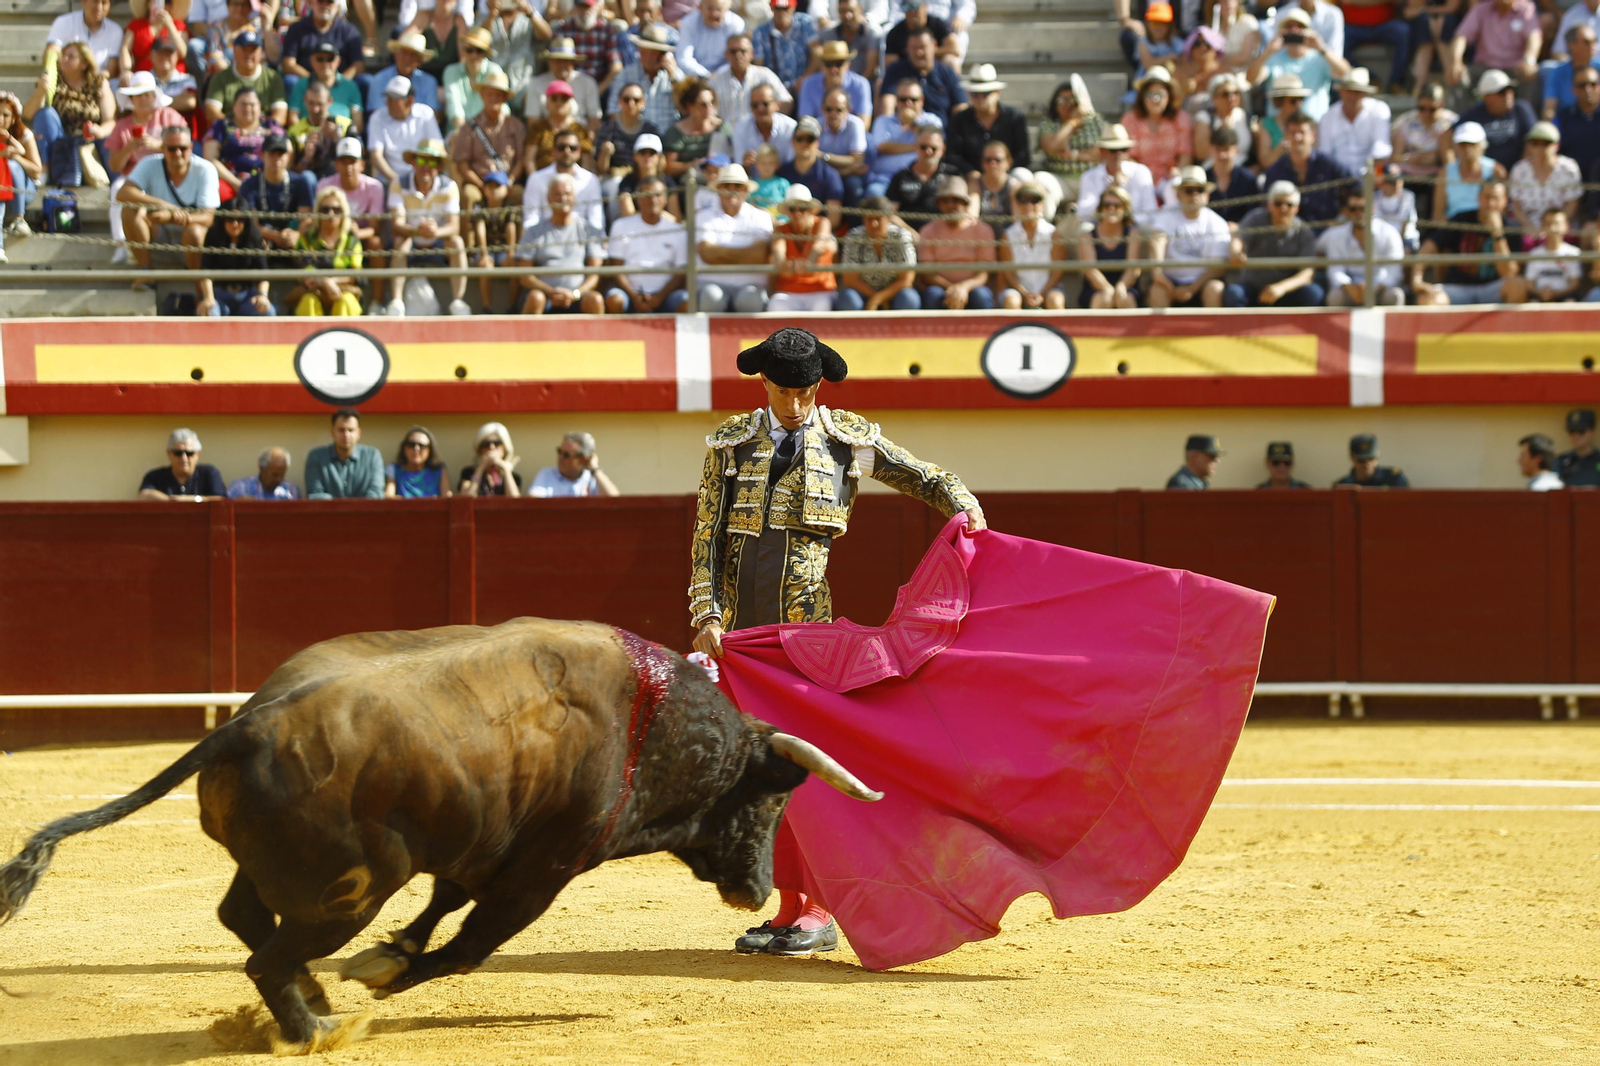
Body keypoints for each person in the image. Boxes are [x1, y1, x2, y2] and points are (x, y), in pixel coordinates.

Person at [689, 326, 984, 956]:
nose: (794, 404)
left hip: (808, 634)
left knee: (808, 768)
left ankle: (819, 908)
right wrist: (706, 612)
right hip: (745, 638)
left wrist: (965, 506)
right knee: (765, 770)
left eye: (804, 391)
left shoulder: (848, 443)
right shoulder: (731, 446)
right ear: (763, 383)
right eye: (782, 390)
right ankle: (791, 905)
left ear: (817, 385)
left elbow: (924, 478)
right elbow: (708, 538)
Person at [117, 124, 220, 275]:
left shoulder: (206, 169)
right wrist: (164, 205)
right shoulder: (149, 163)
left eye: (183, 148)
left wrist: (171, 217)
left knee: (195, 232)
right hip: (159, 234)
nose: (177, 153)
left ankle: (199, 282)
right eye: (171, 149)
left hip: (192, 238)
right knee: (129, 211)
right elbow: (123, 194)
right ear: (163, 148)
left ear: (191, 147)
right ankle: (146, 271)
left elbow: (208, 218)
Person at [451, 68, 525, 272]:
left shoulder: (515, 125)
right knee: (467, 195)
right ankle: (472, 252)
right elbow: (462, 164)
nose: (494, 98)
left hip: (507, 181)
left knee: (519, 194)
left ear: (504, 98)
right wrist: (481, 185)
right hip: (479, 180)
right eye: (490, 93)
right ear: (482, 95)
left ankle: (517, 252)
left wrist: (510, 181)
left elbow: (521, 160)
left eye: (499, 94)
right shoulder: (469, 127)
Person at [389, 138, 471, 317]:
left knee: (456, 242)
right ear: (413, 162)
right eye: (421, 160)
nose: (426, 166)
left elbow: (454, 227)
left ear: (439, 166)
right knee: (400, 241)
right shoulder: (398, 183)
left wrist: (435, 232)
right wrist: (418, 231)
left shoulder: (449, 186)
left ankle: (458, 301)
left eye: (432, 161)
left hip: (438, 245)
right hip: (410, 244)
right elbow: (397, 225)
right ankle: (396, 301)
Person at [1413, 179, 1528, 305]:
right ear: (1478, 197)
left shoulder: (1512, 228)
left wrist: (1497, 233)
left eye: (1495, 198)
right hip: (1457, 289)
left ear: (1505, 201)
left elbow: (1509, 273)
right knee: (1428, 299)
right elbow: (1428, 247)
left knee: (1518, 287)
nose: (1490, 203)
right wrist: (1417, 280)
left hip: (1493, 289)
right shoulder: (1461, 220)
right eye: (1486, 197)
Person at [512, 173, 606, 315]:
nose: (563, 199)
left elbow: (594, 274)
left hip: (578, 296)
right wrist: (551, 292)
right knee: (535, 298)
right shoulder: (534, 232)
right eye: (557, 194)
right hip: (545, 296)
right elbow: (525, 276)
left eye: (567, 194)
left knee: (595, 299)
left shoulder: (588, 230)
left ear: (574, 198)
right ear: (549, 199)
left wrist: (575, 294)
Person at [24, 41, 115, 188]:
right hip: (61, 142)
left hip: (89, 142)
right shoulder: (53, 80)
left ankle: (118, 183)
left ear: (84, 64)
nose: (64, 59)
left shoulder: (99, 83)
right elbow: (28, 114)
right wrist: (40, 91)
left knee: (109, 139)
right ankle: (45, 170)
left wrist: (100, 130)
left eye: (71, 57)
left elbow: (110, 121)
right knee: (45, 114)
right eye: (63, 56)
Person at [317, 137, 390, 312]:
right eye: (344, 162)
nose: (348, 167)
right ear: (336, 165)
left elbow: (375, 228)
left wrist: (354, 233)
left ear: (362, 165)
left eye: (353, 162)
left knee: (376, 244)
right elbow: (318, 221)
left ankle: (377, 303)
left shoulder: (374, 187)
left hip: (360, 238)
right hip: (333, 238)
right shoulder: (324, 185)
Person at [1225, 180, 1325, 306]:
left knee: (1313, 293)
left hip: (1287, 291)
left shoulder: (1304, 232)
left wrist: (1281, 288)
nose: (1283, 208)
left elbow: (1307, 274)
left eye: (1289, 204)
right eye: (1278, 203)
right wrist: (1235, 251)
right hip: (1254, 288)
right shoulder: (1256, 218)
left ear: (1296, 208)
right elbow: (1239, 238)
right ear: (1269, 205)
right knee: (1234, 293)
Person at [1247, 6, 1351, 121]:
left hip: (1313, 128)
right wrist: (1267, 52)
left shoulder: (1320, 58)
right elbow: (1251, 79)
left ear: (1309, 30)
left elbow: (1345, 74)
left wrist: (1322, 48)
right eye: (1289, 26)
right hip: (1279, 129)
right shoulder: (1273, 58)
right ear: (1281, 31)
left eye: (1300, 26)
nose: (1294, 30)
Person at [694, 162, 774, 311]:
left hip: (750, 287)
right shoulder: (702, 216)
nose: (732, 190)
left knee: (750, 299)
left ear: (746, 190)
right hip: (711, 284)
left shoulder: (761, 217)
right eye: (727, 185)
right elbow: (707, 254)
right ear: (718, 189)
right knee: (712, 297)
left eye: (737, 185)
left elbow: (759, 255)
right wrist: (746, 256)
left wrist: (720, 255)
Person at [1147, 165, 1229, 308]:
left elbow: (1218, 267)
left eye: (1200, 190)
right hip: (1169, 282)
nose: (1194, 195)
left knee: (1215, 289)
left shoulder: (1217, 222)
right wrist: (1159, 276)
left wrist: (1192, 289)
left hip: (1202, 284)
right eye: (1189, 190)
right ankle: (1157, 331)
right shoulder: (1166, 214)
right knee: (1157, 291)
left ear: (1207, 195)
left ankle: (1215, 331)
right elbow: (1157, 240)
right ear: (1179, 194)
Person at [605, 177, 690, 312]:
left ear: (666, 199)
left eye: (657, 195)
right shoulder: (620, 226)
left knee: (686, 301)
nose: (652, 200)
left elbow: (681, 272)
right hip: (628, 293)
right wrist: (634, 296)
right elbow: (616, 268)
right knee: (615, 300)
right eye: (647, 195)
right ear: (637, 199)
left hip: (666, 295)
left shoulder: (678, 231)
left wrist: (659, 297)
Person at [916, 175, 994, 310]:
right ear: (939, 204)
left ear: (965, 203)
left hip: (973, 288)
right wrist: (952, 288)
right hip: (941, 288)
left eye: (956, 200)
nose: (951, 205)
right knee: (932, 294)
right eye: (945, 201)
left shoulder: (982, 230)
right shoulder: (928, 231)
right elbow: (928, 274)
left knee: (981, 295)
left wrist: (964, 287)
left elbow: (984, 274)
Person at [1262, 111, 1354, 223]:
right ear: (1286, 135)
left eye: (1302, 132)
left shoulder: (1327, 163)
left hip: (1327, 230)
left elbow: (1356, 185)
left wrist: (1345, 211)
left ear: (1313, 135)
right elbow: (1265, 204)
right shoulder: (1275, 170)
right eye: (1293, 132)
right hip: (1291, 234)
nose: (1297, 137)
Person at [1321, 184, 1407, 304]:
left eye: (1363, 209)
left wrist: (1374, 288)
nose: (1358, 213)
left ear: (1372, 209)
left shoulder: (1389, 233)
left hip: (1379, 288)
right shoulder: (1336, 235)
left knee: (1394, 295)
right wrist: (1350, 288)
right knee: (1335, 296)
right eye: (1353, 209)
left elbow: (1394, 271)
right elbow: (1335, 270)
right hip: (1351, 289)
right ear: (1347, 211)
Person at [291, 183, 365, 315]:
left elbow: (355, 273)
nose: (331, 214)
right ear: (317, 212)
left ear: (343, 212)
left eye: (336, 210)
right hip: (314, 292)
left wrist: (332, 282)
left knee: (347, 301)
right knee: (309, 301)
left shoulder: (351, 240)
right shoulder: (306, 239)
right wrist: (324, 281)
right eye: (325, 210)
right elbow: (306, 271)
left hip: (343, 291)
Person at [836, 195, 920, 310]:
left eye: (878, 219)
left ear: (888, 219)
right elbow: (850, 279)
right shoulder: (854, 237)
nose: (874, 224)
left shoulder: (901, 236)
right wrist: (874, 297)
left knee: (909, 298)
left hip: (896, 294)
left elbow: (906, 280)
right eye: (869, 219)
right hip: (863, 294)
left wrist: (878, 299)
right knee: (848, 298)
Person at [1035, 77, 1104, 213]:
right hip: (1061, 179)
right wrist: (1072, 123)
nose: (1066, 105)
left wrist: (1075, 155)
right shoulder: (1048, 125)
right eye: (1061, 101)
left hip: (1091, 178)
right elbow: (1053, 147)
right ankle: (1044, 228)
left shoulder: (1095, 121)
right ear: (1054, 104)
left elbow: (1102, 153)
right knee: (1041, 180)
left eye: (1071, 100)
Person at [943, 64, 1026, 176]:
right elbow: (953, 156)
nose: (980, 98)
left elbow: (1023, 156)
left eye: (986, 93)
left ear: (997, 93)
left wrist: (1002, 171)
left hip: (1007, 176)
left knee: (1022, 175)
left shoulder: (1014, 118)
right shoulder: (959, 120)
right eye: (975, 94)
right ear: (968, 94)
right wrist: (971, 172)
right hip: (969, 178)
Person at [1075, 123, 1159, 229]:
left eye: (1123, 149)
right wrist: (1110, 188)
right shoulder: (1089, 177)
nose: (1119, 154)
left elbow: (1150, 211)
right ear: (1102, 151)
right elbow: (1083, 214)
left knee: (1152, 230)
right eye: (1113, 150)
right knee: (1084, 229)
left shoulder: (1141, 172)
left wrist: (1126, 223)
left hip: (1134, 228)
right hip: (1101, 230)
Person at [997, 181, 1066, 310]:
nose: (1029, 205)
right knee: (1012, 301)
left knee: (1055, 300)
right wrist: (1025, 294)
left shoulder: (1054, 235)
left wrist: (1042, 293)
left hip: (1049, 289)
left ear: (1043, 204)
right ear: (1017, 204)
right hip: (1017, 290)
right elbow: (1008, 273)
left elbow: (1057, 273)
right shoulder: (1007, 236)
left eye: (1035, 200)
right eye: (1023, 200)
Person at [1447, 0, 1541, 95]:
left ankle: (1526, 110)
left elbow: (1534, 37)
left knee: (1530, 75)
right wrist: (1456, 62)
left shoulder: (1526, 8)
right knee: (1458, 75)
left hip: (1515, 69)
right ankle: (1461, 110)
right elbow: (1461, 37)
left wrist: (1529, 60)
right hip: (1484, 68)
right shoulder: (1481, 9)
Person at [768, 184, 837, 312]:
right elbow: (778, 249)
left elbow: (819, 244)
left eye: (803, 208)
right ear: (788, 211)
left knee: (821, 307)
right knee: (775, 306)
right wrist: (781, 262)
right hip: (788, 291)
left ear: (810, 210)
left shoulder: (822, 223)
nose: (798, 213)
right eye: (793, 208)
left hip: (820, 290)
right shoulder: (781, 229)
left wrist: (808, 262)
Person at [1391, 82, 1455, 218]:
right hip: (1409, 173)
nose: (1426, 113)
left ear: (1441, 104)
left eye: (1431, 109)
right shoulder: (1406, 121)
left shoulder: (1451, 122)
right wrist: (1412, 158)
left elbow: (1453, 158)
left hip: (1438, 176)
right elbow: (1395, 157)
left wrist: (1436, 157)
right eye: (1421, 108)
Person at [878, 26, 966, 125]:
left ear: (934, 45)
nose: (919, 53)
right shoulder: (896, 70)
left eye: (923, 47)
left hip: (941, 136)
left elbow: (960, 107)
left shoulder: (947, 73)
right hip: (904, 134)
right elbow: (887, 104)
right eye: (914, 48)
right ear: (907, 49)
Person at [1121, 67, 1192, 189]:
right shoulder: (1130, 119)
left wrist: (1178, 172)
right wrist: (1143, 175)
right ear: (1142, 96)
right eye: (1150, 94)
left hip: (1171, 182)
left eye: (1160, 94)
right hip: (1139, 182)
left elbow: (1186, 154)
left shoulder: (1181, 118)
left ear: (1169, 96)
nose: (1155, 99)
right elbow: (1128, 156)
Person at [1455, 70, 1537, 173]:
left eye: (1510, 89)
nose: (1508, 94)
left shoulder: (1521, 109)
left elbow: (1534, 142)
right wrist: (1451, 164)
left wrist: (1519, 172)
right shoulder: (1475, 114)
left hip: (1520, 174)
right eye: (1501, 92)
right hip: (1485, 175)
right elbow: (1448, 134)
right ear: (1486, 97)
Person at [204, 88, 283, 194]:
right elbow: (210, 158)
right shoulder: (221, 126)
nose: (247, 108)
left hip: (266, 181)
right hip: (230, 182)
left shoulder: (271, 126)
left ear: (260, 106)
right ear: (234, 106)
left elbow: (287, 152)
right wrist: (236, 183)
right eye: (243, 104)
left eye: (252, 104)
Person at [523, 128, 604, 231]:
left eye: (572, 148)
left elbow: (596, 220)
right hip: (545, 239)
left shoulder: (590, 180)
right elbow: (531, 219)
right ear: (553, 151)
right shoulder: (536, 179)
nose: (567, 151)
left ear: (579, 152)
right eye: (561, 147)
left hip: (581, 239)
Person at [368, 76, 443, 187]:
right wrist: (398, 182)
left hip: (424, 179)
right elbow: (376, 156)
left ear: (409, 101)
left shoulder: (426, 114)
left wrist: (419, 181)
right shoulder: (377, 117)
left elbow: (438, 148)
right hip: (389, 182)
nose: (388, 103)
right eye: (388, 98)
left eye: (393, 99)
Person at [1507, 122, 1581, 233]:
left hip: (1560, 229)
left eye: (1546, 143)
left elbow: (1572, 203)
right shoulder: (1519, 169)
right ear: (1528, 145)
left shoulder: (1569, 169)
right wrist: (1530, 228)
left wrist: (1556, 227)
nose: (1540, 148)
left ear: (1557, 145)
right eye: (1535, 143)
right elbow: (1516, 206)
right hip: (1527, 228)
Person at [203, 30, 286, 127]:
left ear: (261, 52)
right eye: (244, 49)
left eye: (253, 49)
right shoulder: (220, 78)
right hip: (229, 133)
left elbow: (280, 115)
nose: (248, 54)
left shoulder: (272, 78)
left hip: (264, 132)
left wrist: (260, 131)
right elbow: (211, 112)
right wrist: (233, 129)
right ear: (234, 51)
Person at [197, 211, 274, 316]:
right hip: (219, 295)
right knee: (209, 311)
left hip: (247, 296)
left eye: (240, 220)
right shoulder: (213, 235)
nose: (235, 224)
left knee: (267, 310)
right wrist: (208, 298)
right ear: (223, 220)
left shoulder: (254, 235)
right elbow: (205, 270)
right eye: (230, 219)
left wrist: (262, 296)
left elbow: (263, 272)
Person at [707, 35, 790, 131]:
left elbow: (786, 101)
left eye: (743, 51)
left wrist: (770, 125)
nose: (738, 55)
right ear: (726, 55)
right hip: (726, 136)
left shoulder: (765, 75)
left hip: (759, 135)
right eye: (733, 52)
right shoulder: (715, 80)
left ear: (752, 54)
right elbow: (708, 111)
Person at [1079, 184, 1143, 308]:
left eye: (1117, 206)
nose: (1111, 209)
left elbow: (1133, 269)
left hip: (1127, 287)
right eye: (1107, 205)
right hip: (1095, 289)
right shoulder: (1087, 236)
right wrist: (1107, 289)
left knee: (1126, 298)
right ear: (1100, 209)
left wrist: (1121, 287)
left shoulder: (1133, 234)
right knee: (1103, 298)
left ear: (1125, 210)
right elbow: (1090, 270)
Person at [280, 0, 366, 91]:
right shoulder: (296, 28)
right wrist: (315, 81)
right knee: (290, 81)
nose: (324, 5)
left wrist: (338, 83)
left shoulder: (349, 30)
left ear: (337, 5)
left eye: (330, 1)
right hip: (306, 84)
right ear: (311, 3)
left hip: (341, 85)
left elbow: (358, 65)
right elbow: (288, 64)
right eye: (320, 1)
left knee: (364, 81)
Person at [1318, 68, 1392, 174]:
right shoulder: (1328, 117)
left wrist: (1368, 173)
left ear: (1365, 94)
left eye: (1357, 92)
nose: (1352, 97)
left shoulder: (1379, 110)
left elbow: (1381, 149)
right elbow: (1325, 153)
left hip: (1371, 177)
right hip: (1336, 179)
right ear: (1341, 92)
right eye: (1349, 91)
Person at [302, 408, 385, 499]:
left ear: (358, 433)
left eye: (351, 430)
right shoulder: (317, 457)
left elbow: (376, 493)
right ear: (333, 432)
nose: (346, 435)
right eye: (341, 430)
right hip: (328, 513)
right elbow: (315, 494)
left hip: (365, 513)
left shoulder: (372, 456)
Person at [1433, 120, 1505, 223]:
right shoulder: (1445, 173)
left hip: (1486, 227)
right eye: (1463, 144)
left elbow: (1502, 208)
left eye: (1472, 144)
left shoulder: (1496, 170)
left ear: (1483, 145)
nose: (1467, 149)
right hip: (1455, 229)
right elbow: (1438, 214)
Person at [611, 24, 681, 129]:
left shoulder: (676, 75)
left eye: (653, 53)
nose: (647, 57)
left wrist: (674, 79)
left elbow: (688, 109)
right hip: (635, 138)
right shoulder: (626, 75)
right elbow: (613, 111)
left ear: (662, 55)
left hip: (668, 138)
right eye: (644, 52)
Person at [552, 0, 624, 99]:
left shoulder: (607, 30)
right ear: (575, 8)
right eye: (581, 7)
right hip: (569, 86)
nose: (585, 11)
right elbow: (555, 63)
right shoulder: (563, 29)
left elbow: (616, 67)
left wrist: (598, 90)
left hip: (599, 86)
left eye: (588, 7)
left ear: (596, 8)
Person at [288, 42, 363, 132]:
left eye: (330, 59)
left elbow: (358, 122)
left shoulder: (350, 86)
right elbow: (293, 118)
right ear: (312, 61)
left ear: (338, 61)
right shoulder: (301, 84)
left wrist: (343, 136)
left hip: (342, 135)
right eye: (320, 59)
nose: (325, 63)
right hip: (307, 136)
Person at [886, 125, 961, 214]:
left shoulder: (952, 174)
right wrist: (908, 228)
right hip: (905, 227)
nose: (928, 151)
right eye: (923, 147)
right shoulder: (900, 177)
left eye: (934, 148)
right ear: (915, 146)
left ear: (943, 149)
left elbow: (960, 212)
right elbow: (890, 214)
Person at [663, 79, 730, 178]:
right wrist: (692, 165)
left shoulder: (722, 128)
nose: (709, 107)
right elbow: (668, 167)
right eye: (703, 104)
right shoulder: (676, 132)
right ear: (690, 106)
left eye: (712, 102)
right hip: (688, 184)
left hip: (719, 181)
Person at [797, 40, 874, 125]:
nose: (834, 69)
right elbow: (805, 123)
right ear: (821, 65)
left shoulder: (861, 85)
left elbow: (864, 124)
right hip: (818, 136)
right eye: (829, 64)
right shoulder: (809, 84)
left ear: (847, 64)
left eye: (839, 63)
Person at [814, 88, 869, 205]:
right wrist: (847, 167)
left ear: (848, 110)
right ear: (822, 109)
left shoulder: (856, 124)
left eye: (839, 110)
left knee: (855, 188)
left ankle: (855, 224)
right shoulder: (815, 126)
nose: (833, 114)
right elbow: (811, 158)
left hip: (842, 176)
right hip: (825, 175)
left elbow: (857, 161)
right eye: (829, 109)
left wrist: (823, 156)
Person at [365, 31, 441, 117]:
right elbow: (378, 115)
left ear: (420, 61)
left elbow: (434, 116)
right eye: (404, 53)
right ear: (396, 55)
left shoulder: (429, 82)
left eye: (413, 55)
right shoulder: (379, 79)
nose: (408, 58)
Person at [139, 428, 226, 500]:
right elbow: (144, 495)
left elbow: (220, 499)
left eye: (189, 453)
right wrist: (171, 500)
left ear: (197, 454)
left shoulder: (209, 473)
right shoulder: (155, 476)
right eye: (178, 453)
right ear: (169, 454)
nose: (183, 458)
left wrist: (189, 499)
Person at [751, 0, 819, 88]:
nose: (781, 13)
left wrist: (805, 78)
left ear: (793, 8)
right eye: (777, 8)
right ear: (771, 8)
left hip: (803, 85)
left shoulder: (804, 23)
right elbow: (758, 66)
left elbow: (817, 53)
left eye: (785, 8)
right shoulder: (761, 32)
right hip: (773, 87)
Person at [529, 431, 620, 496]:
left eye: (566, 455)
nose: (560, 457)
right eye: (559, 451)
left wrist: (595, 469)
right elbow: (532, 504)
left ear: (583, 459)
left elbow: (614, 500)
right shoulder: (547, 475)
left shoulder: (591, 478)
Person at [44, 0, 123, 75]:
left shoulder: (115, 31)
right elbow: (52, 53)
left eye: (104, 3)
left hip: (98, 83)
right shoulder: (63, 22)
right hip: (65, 80)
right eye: (95, 1)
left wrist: (96, 81)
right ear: (84, 1)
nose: (99, 7)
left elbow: (111, 70)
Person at [1203, 126, 1259, 226]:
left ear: (1236, 151)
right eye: (1218, 149)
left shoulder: (1248, 180)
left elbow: (1254, 213)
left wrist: (1239, 227)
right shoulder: (1203, 179)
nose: (1222, 154)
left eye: (1226, 149)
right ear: (1211, 150)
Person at [676, 0, 747, 80]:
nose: (714, 14)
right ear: (700, 7)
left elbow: (736, 59)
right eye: (710, 8)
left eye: (719, 9)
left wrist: (717, 76)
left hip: (727, 78)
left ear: (727, 9)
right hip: (695, 77)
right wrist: (706, 76)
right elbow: (684, 58)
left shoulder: (736, 24)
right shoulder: (689, 22)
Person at [1542, 25, 1600, 120]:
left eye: (1594, 41)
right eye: (1587, 42)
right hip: (1567, 124)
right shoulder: (1558, 73)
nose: (1592, 46)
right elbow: (1549, 108)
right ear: (1571, 45)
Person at [1255, 72, 1310, 170]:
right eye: (1293, 100)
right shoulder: (1266, 125)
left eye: (1301, 99)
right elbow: (1265, 162)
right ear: (1280, 101)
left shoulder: (1308, 123)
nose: (1298, 104)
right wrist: (1282, 147)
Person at [1194, 73, 1250, 167]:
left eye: (1235, 93)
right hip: (1213, 170)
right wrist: (1222, 132)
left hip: (1242, 169)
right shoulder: (1204, 118)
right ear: (1214, 98)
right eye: (1225, 94)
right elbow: (1201, 153)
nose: (1232, 98)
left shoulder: (1245, 116)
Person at [1525, 207, 1583, 299]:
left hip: (1565, 296)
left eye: (1557, 223)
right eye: (1548, 224)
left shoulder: (1574, 252)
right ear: (1542, 227)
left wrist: (1555, 294)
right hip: (1539, 296)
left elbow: (1575, 284)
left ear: (1566, 227)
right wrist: (1540, 293)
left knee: (1570, 303)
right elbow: (1529, 284)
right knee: (1532, 304)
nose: (1552, 228)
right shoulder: (1534, 253)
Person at [733, 84, 797, 167]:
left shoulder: (791, 128)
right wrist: (745, 164)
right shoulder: (740, 129)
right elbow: (739, 165)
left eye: (765, 104)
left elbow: (794, 164)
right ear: (750, 107)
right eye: (755, 105)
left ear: (777, 105)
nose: (760, 108)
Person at [458, 421, 523, 496]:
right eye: (486, 444)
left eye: (497, 443)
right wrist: (481, 468)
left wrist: (505, 469)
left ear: (505, 447)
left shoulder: (514, 477)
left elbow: (515, 500)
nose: (492, 447)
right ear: (480, 449)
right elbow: (467, 498)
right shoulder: (469, 473)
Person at [386, 426, 452, 497]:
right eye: (411, 445)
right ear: (404, 448)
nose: (416, 449)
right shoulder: (394, 469)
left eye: (422, 446)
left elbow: (447, 498)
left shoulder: (439, 470)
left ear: (430, 450)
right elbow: (389, 497)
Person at [1374, 162, 1420, 250]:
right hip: (1381, 239)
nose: (1395, 184)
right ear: (1382, 182)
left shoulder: (1408, 196)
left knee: (1407, 250)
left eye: (1397, 179)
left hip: (1404, 239)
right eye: (1390, 181)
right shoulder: (1374, 199)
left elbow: (1406, 224)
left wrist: (1397, 243)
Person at [1335, 433, 1409, 486]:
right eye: (1361, 460)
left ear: (1377, 456)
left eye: (1370, 458)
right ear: (1351, 457)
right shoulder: (1343, 485)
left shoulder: (1394, 479)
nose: (1367, 463)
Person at [227, 446, 302, 499]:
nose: (279, 479)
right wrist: (236, 504)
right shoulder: (240, 488)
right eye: (275, 475)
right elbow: (223, 513)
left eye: (282, 474)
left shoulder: (292, 490)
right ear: (262, 469)